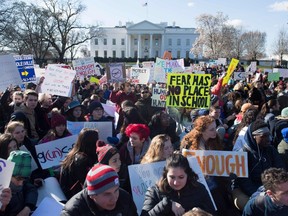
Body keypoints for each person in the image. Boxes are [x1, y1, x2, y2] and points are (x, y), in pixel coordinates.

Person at [232, 119, 285, 211]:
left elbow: (280, 170)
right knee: (255, 208)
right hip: (249, 191)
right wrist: (260, 194)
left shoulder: (271, 150)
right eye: (264, 136)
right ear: (254, 137)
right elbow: (244, 182)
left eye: (269, 135)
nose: (269, 139)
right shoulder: (242, 154)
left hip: (271, 188)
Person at [141, 153, 215, 215]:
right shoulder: (154, 191)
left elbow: (213, 213)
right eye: (172, 177)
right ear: (165, 175)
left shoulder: (199, 189)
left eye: (181, 177)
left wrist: (200, 212)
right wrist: (166, 204)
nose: (176, 182)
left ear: (188, 175)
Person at [61, 164, 138, 216]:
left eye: (116, 190)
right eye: (107, 194)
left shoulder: (125, 199)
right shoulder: (73, 211)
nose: (114, 198)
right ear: (92, 195)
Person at [60, 128, 99, 200]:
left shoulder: (72, 154)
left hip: (69, 194)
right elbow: (86, 184)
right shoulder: (83, 160)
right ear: (92, 142)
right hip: (77, 197)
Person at [4, 150, 38, 216]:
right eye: (18, 179)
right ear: (9, 173)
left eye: (24, 178)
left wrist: (27, 208)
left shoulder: (22, 181)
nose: (21, 183)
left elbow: (31, 189)